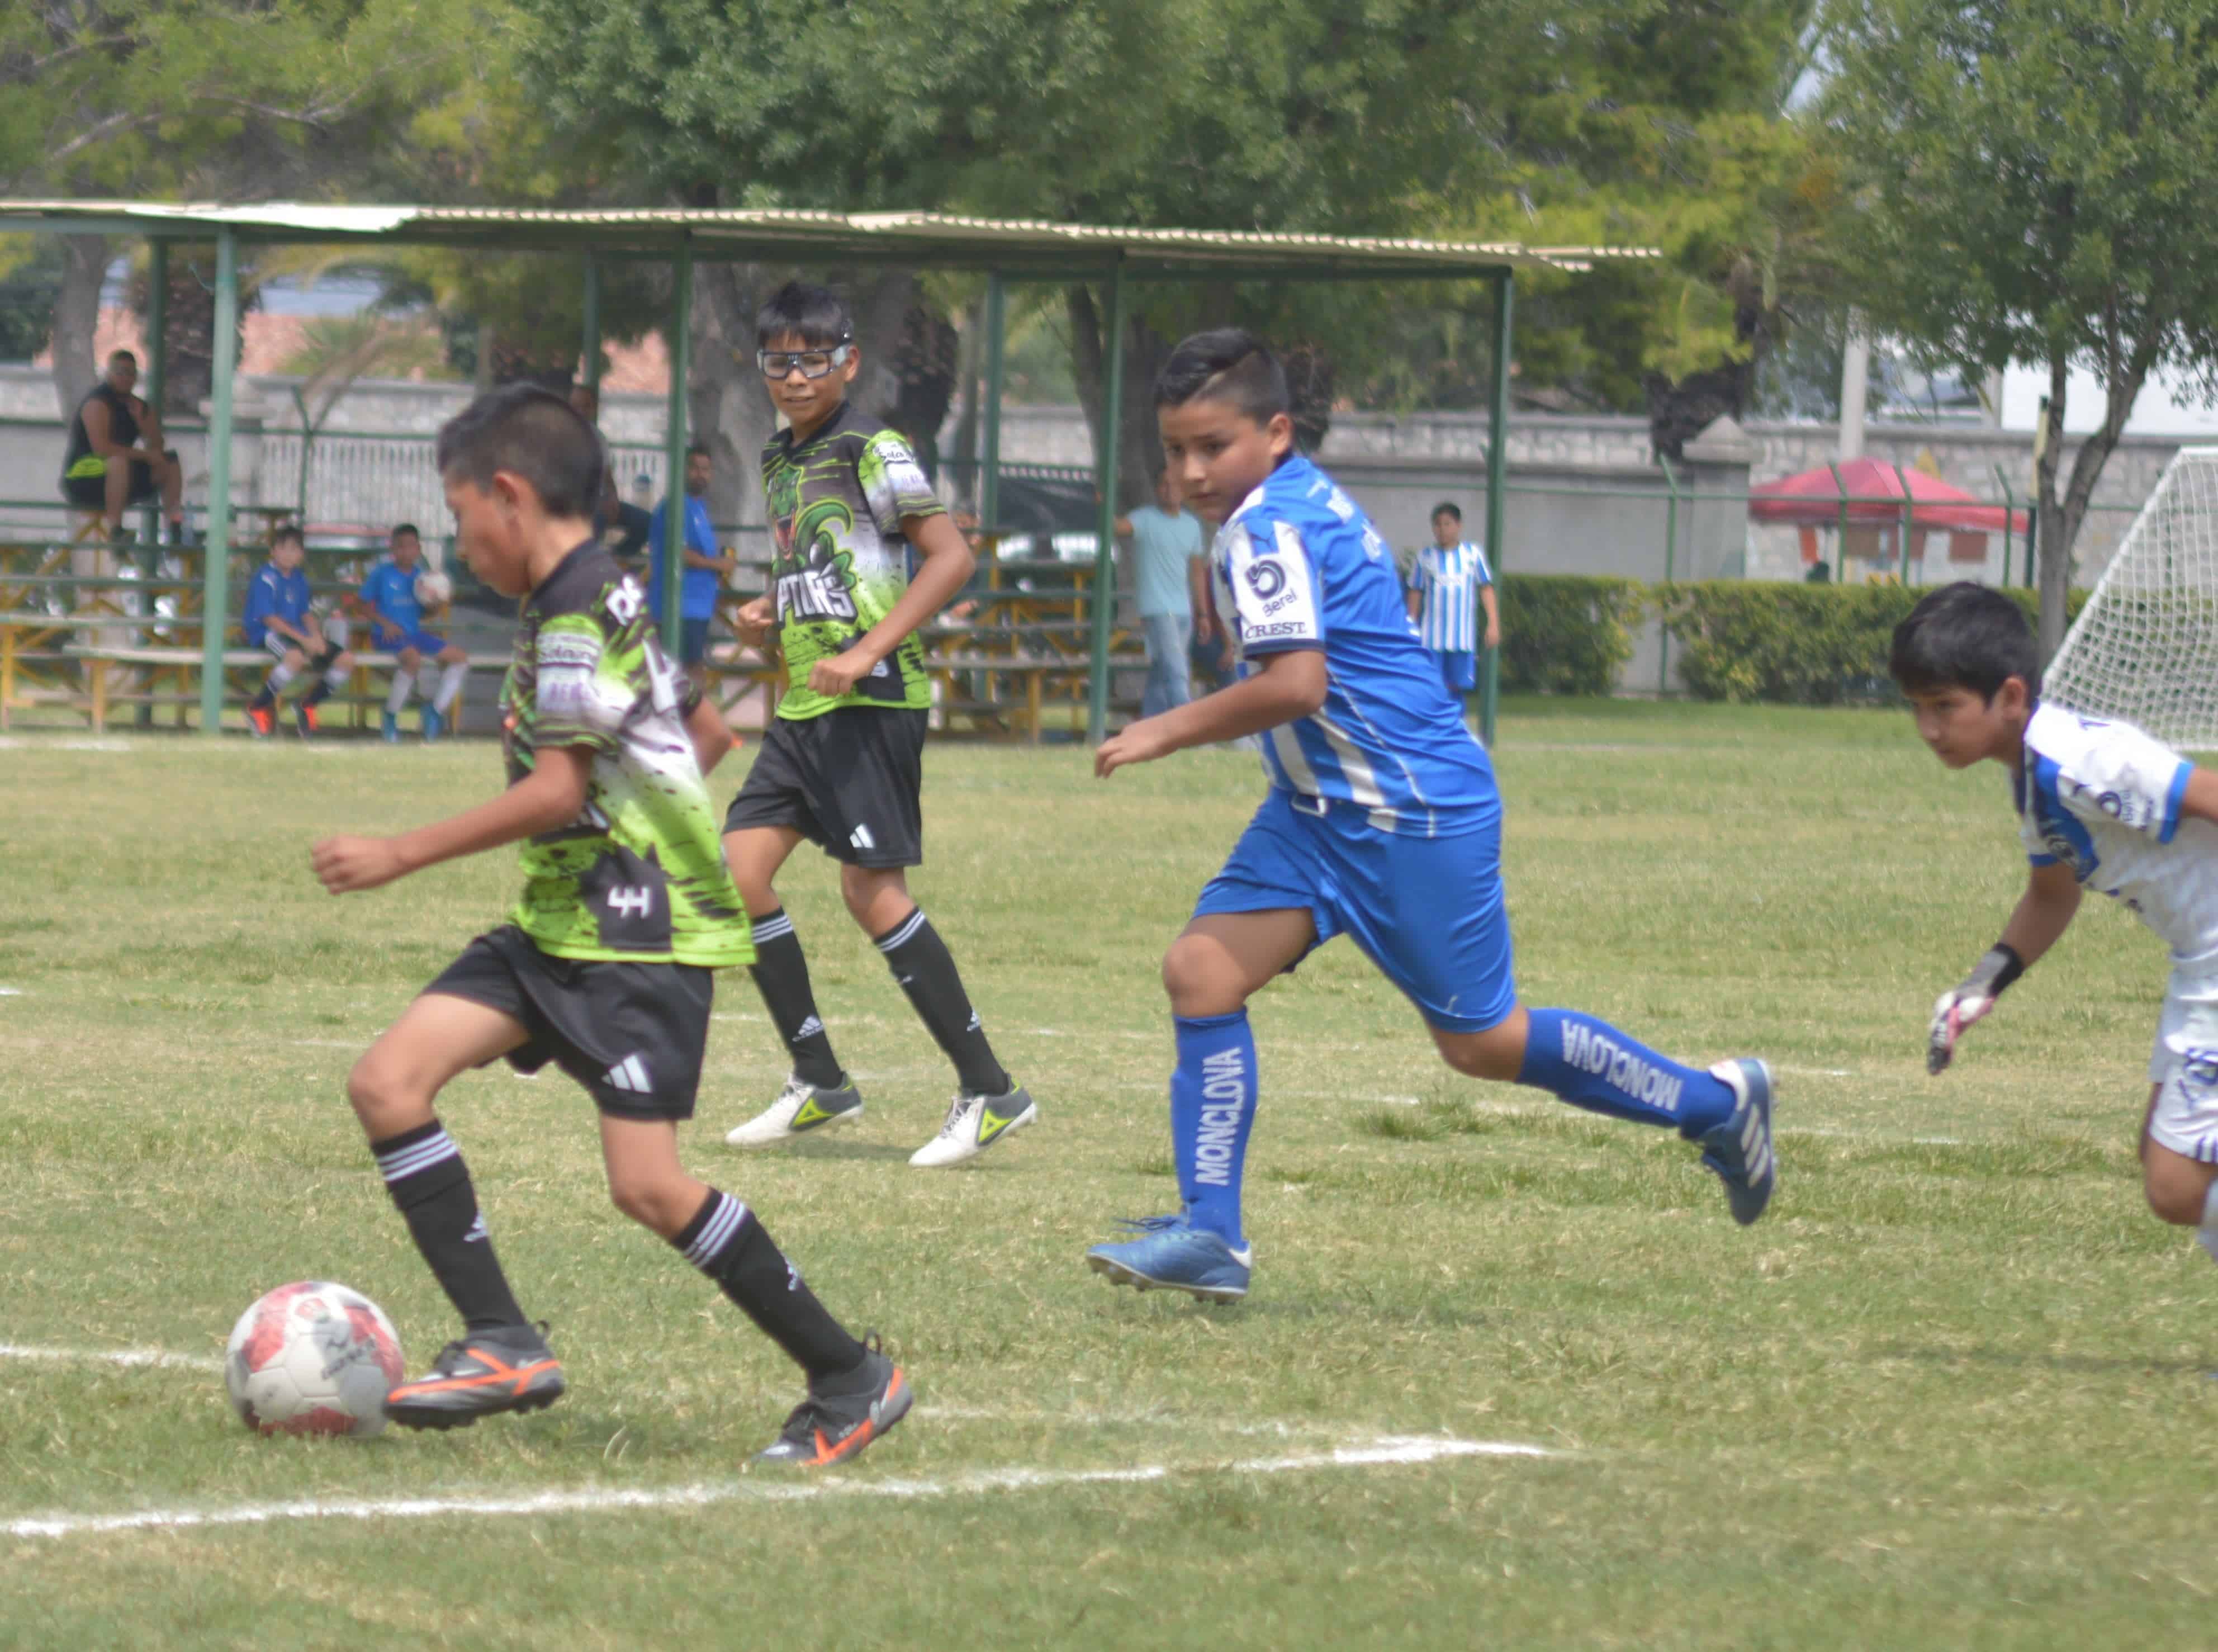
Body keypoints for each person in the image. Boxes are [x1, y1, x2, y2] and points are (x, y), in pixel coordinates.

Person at [1082, 329, 1775, 1302]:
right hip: (1318, 810)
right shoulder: (1284, 500)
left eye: (1213, 446)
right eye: (1176, 451)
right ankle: (1210, 1236)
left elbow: (1294, 683)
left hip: (1407, 811)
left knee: (1482, 1044)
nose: (1193, 471)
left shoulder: (1265, 528)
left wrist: (1165, 730)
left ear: (1275, 433)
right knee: (1200, 972)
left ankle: (1715, 1104)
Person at [310, 382, 908, 1465]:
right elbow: (707, 730)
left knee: (647, 1185)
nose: (461, 540)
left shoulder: (581, 604)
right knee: (387, 1081)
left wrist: (400, 851)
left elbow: (555, 789)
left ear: (506, 495)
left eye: (458, 516)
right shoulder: (601, 593)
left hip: (637, 939)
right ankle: (501, 1337)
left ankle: (849, 1375)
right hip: (562, 922)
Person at [721, 281, 1034, 1168]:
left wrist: (865, 650)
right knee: (738, 875)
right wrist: (769, 615)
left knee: (872, 892)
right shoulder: (781, 460)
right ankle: (820, 1077)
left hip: (872, 699)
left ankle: (991, 1089)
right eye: (777, 360)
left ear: (848, 361)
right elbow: (823, 573)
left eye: (811, 360)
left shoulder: (874, 446)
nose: (792, 376)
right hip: (806, 707)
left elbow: (950, 557)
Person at [1891, 583, 2218, 1272]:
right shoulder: (2033, 781)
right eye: (1917, 708)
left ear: (2010, 698)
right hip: (2197, 966)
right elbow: (2050, 892)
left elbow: (2207, 794)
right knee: (2166, 1163)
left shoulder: (2081, 761)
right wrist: (1984, 982)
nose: (1927, 729)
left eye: (1944, 706)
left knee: (2172, 1184)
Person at [357, 523, 469, 742]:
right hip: (386, 636)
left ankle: (435, 711)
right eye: (400, 547)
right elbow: (361, 606)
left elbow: (425, 614)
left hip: (414, 635)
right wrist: (385, 623)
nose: (405, 552)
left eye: (410, 547)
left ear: (418, 549)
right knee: (413, 660)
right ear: (392, 549)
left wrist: (436, 604)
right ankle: (390, 715)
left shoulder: (423, 578)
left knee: (460, 659)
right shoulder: (381, 574)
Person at [60, 349, 186, 542]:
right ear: (108, 374)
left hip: (123, 477)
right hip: (84, 475)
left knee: (170, 462)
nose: (126, 378)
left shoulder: (139, 406)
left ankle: (174, 527)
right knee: (118, 462)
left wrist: (144, 424)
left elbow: (157, 446)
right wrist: (145, 456)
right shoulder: (97, 403)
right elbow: (101, 448)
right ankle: (116, 530)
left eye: (131, 373)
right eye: (120, 372)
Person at [240, 524, 353, 737]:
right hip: (269, 633)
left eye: (294, 549)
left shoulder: (299, 579)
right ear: (273, 551)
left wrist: (317, 638)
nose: (288, 554)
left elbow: (306, 614)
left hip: (298, 634)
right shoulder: (265, 577)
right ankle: (257, 707)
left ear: (301, 554)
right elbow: (270, 619)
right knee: (295, 658)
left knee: (346, 660)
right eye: (283, 548)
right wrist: (304, 640)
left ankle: (308, 705)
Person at [1116, 468, 1211, 718]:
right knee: (1178, 670)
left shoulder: (1192, 526)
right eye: (1164, 485)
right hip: (1157, 609)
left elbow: (1198, 572)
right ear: (1158, 489)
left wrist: (1202, 614)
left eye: (1175, 485)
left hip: (1184, 611)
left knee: (1162, 670)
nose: (1170, 491)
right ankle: (1189, 726)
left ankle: (1150, 725)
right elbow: (1116, 527)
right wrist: (1102, 504)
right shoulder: (1144, 519)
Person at [646, 443, 737, 688]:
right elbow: (679, 553)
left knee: (693, 669)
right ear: (682, 470)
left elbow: (700, 553)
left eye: (706, 469)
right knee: (685, 671)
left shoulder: (699, 508)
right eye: (695, 468)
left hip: (699, 607)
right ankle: (689, 723)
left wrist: (718, 566)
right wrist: (718, 563)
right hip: (678, 606)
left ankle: (690, 721)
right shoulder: (674, 506)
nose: (701, 474)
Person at [1405, 501, 1497, 714]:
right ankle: (1432, 729)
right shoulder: (1425, 557)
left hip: (1461, 639)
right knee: (1432, 686)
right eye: (1438, 525)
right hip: (1432, 637)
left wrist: (1493, 623)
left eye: (1448, 524)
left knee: (1457, 687)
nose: (1442, 530)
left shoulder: (1473, 555)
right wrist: (1411, 625)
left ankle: (1456, 727)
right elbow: (1415, 591)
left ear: (1459, 526)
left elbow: (1486, 588)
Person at [568, 383, 652, 562]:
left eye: (586, 406)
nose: (581, 411)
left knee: (648, 524)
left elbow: (606, 473)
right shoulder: (561, 436)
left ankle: (615, 559)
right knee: (591, 526)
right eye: (577, 406)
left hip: (601, 502)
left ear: (594, 409)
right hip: (577, 506)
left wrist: (612, 497)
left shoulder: (597, 437)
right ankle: (589, 568)